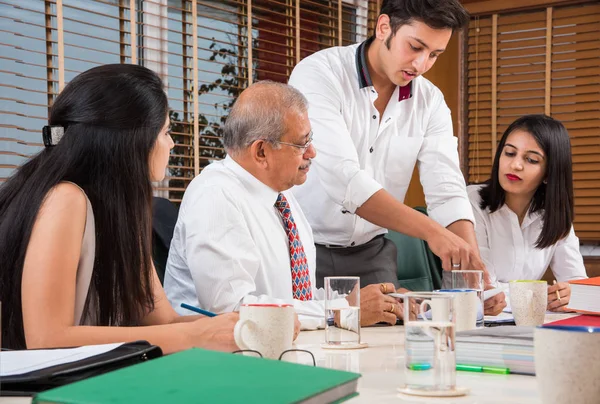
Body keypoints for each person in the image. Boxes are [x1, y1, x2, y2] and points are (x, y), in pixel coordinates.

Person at [0, 64, 239, 352]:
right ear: (131, 140)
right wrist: (194, 336)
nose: (172, 143)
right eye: (165, 132)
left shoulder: (125, 210)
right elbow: (47, 338)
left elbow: (161, 321)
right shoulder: (65, 199)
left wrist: (240, 324)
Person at [164, 81, 411, 329]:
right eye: (301, 144)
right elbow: (231, 309)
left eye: (310, 139)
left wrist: (378, 302)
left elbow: (297, 300)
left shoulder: (282, 195)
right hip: (222, 358)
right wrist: (342, 311)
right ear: (261, 152)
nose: (312, 152)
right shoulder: (215, 196)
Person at [287, 0, 492, 293]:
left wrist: (473, 266)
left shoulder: (430, 102)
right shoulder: (320, 74)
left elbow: (446, 190)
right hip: (303, 246)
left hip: (372, 251)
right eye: (415, 47)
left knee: (396, 333)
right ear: (384, 27)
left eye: (434, 54)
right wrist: (432, 232)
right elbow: (343, 180)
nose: (421, 65)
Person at [468, 115, 588, 312]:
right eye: (509, 153)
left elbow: (576, 283)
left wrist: (571, 294)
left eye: (531, 159)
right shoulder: (472, 202)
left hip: (528, 324)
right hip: (476, 322)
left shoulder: (554, 215)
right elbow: (485, 289)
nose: (515, 165)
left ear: (549, 173)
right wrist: (544, 295)